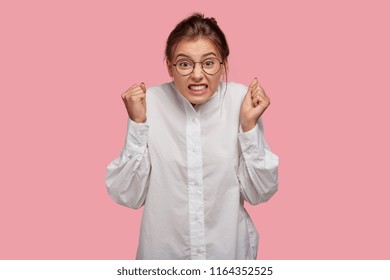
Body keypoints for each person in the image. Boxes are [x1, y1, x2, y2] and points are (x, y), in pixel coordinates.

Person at [106, 12, 279, 260]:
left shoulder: (241, 101)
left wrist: (249, 127)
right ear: (169, 66)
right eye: (185, 63)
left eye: (208, 62)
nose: (197, 75)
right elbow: (128, 195)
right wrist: (137, 124)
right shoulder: (149, 103)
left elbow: (260, 193)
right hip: (164, 257)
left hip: (227, 255)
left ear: (224, 64)